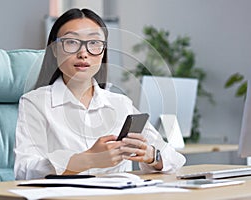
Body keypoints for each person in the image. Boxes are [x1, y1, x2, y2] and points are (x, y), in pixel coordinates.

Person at [14, 8, 186, 180]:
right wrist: (88, 160)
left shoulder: (120, 103)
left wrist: (150, 155)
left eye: (94, 43)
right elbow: (24, 170)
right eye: (71, 42)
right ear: (54, 49)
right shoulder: (35, 102)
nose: (83, 53)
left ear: (103, 51)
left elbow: (175, 159)